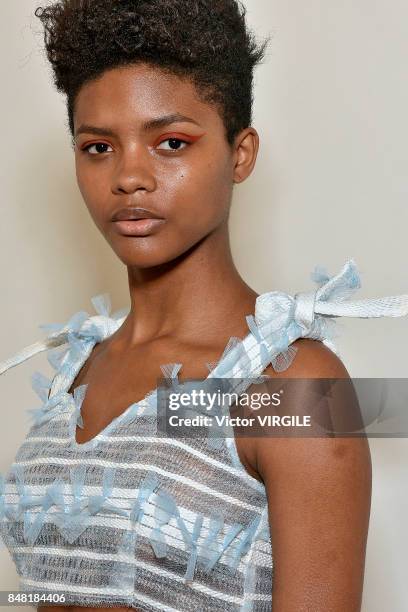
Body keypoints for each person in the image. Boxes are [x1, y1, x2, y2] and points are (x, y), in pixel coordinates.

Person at [1, 1, 408, 611]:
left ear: (240, 154)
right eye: (97, 147)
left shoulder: (291, 386)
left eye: (171, 142)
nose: (129, 176)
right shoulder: (78, 369)